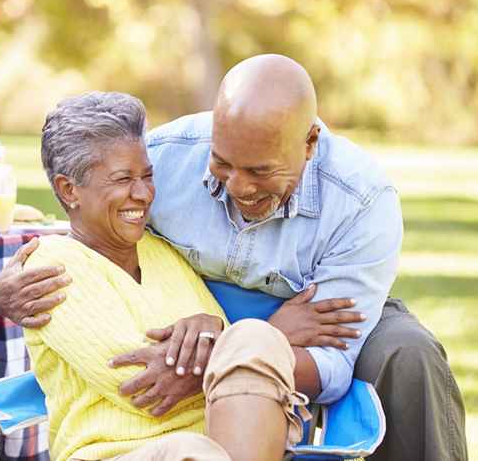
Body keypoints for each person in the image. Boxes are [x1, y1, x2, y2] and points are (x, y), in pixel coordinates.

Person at [0, 56, 467, 461]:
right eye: (222, 164)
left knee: (409, 353)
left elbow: (332, 361)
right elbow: (93, 222)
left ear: (310, 143)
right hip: (213, 327)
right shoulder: (162, 159)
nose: (238, 187)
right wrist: (3, 289)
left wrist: (240, 347)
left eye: (261, 171)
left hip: (294, 327)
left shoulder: (362, 201)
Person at [20, 90, 345, 461]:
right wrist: (274, 331)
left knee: (253, 336)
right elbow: (141, 387)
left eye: (147, 175)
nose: (143, 194)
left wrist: (221, 333)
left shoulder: (163, 253)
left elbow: (235, 370)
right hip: (115, 455)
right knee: (190, 447)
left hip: (225, 448)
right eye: (123, 178)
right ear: (68, 190)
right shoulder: (50, 269)